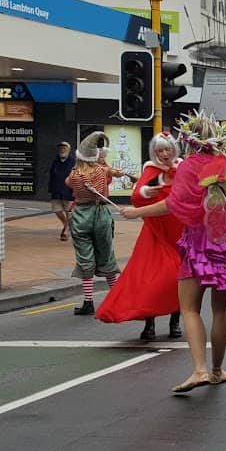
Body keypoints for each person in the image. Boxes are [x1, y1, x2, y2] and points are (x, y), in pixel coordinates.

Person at [121, 113, 226, 393]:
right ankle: (217, 371)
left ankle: (199, 370)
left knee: (189, 308)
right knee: (221, 310)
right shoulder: (225, 165)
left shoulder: (188, 166)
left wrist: (136, 212)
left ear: (189, 140)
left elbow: (173, 204)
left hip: (199, 243)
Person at [96, 135, 182, 342]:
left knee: (179, 278)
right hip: (156, 232)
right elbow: (136, 196)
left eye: (168, 149)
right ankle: (149, 323)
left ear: (174, 149)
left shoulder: (183, 168)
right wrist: (145, 192)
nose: (164, 154)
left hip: (180, 231)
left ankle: (175, 321)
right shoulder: (151, 170)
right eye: (160, 150)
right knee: (148, 277)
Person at [65, 132, 128, 315]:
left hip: (81, 215)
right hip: (100, 214)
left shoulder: (74, 174)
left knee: (85, 259)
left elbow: (68, 183)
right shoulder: (101, 171)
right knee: (106, 255)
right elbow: (112, 173)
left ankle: (88, 302)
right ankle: (117, 298)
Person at [47, 141, 75, 242]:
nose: (62, 150)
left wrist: (75, 190)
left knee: (69, 212)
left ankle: (66, 230)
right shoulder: (55, 161)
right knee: (57, 210)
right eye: (61, 148)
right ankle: (66, 225)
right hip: (56, 190)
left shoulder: (73, 162)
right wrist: (51, 188)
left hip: (69, 191)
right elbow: (51, 175)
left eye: (64, 148)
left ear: (69, 150)